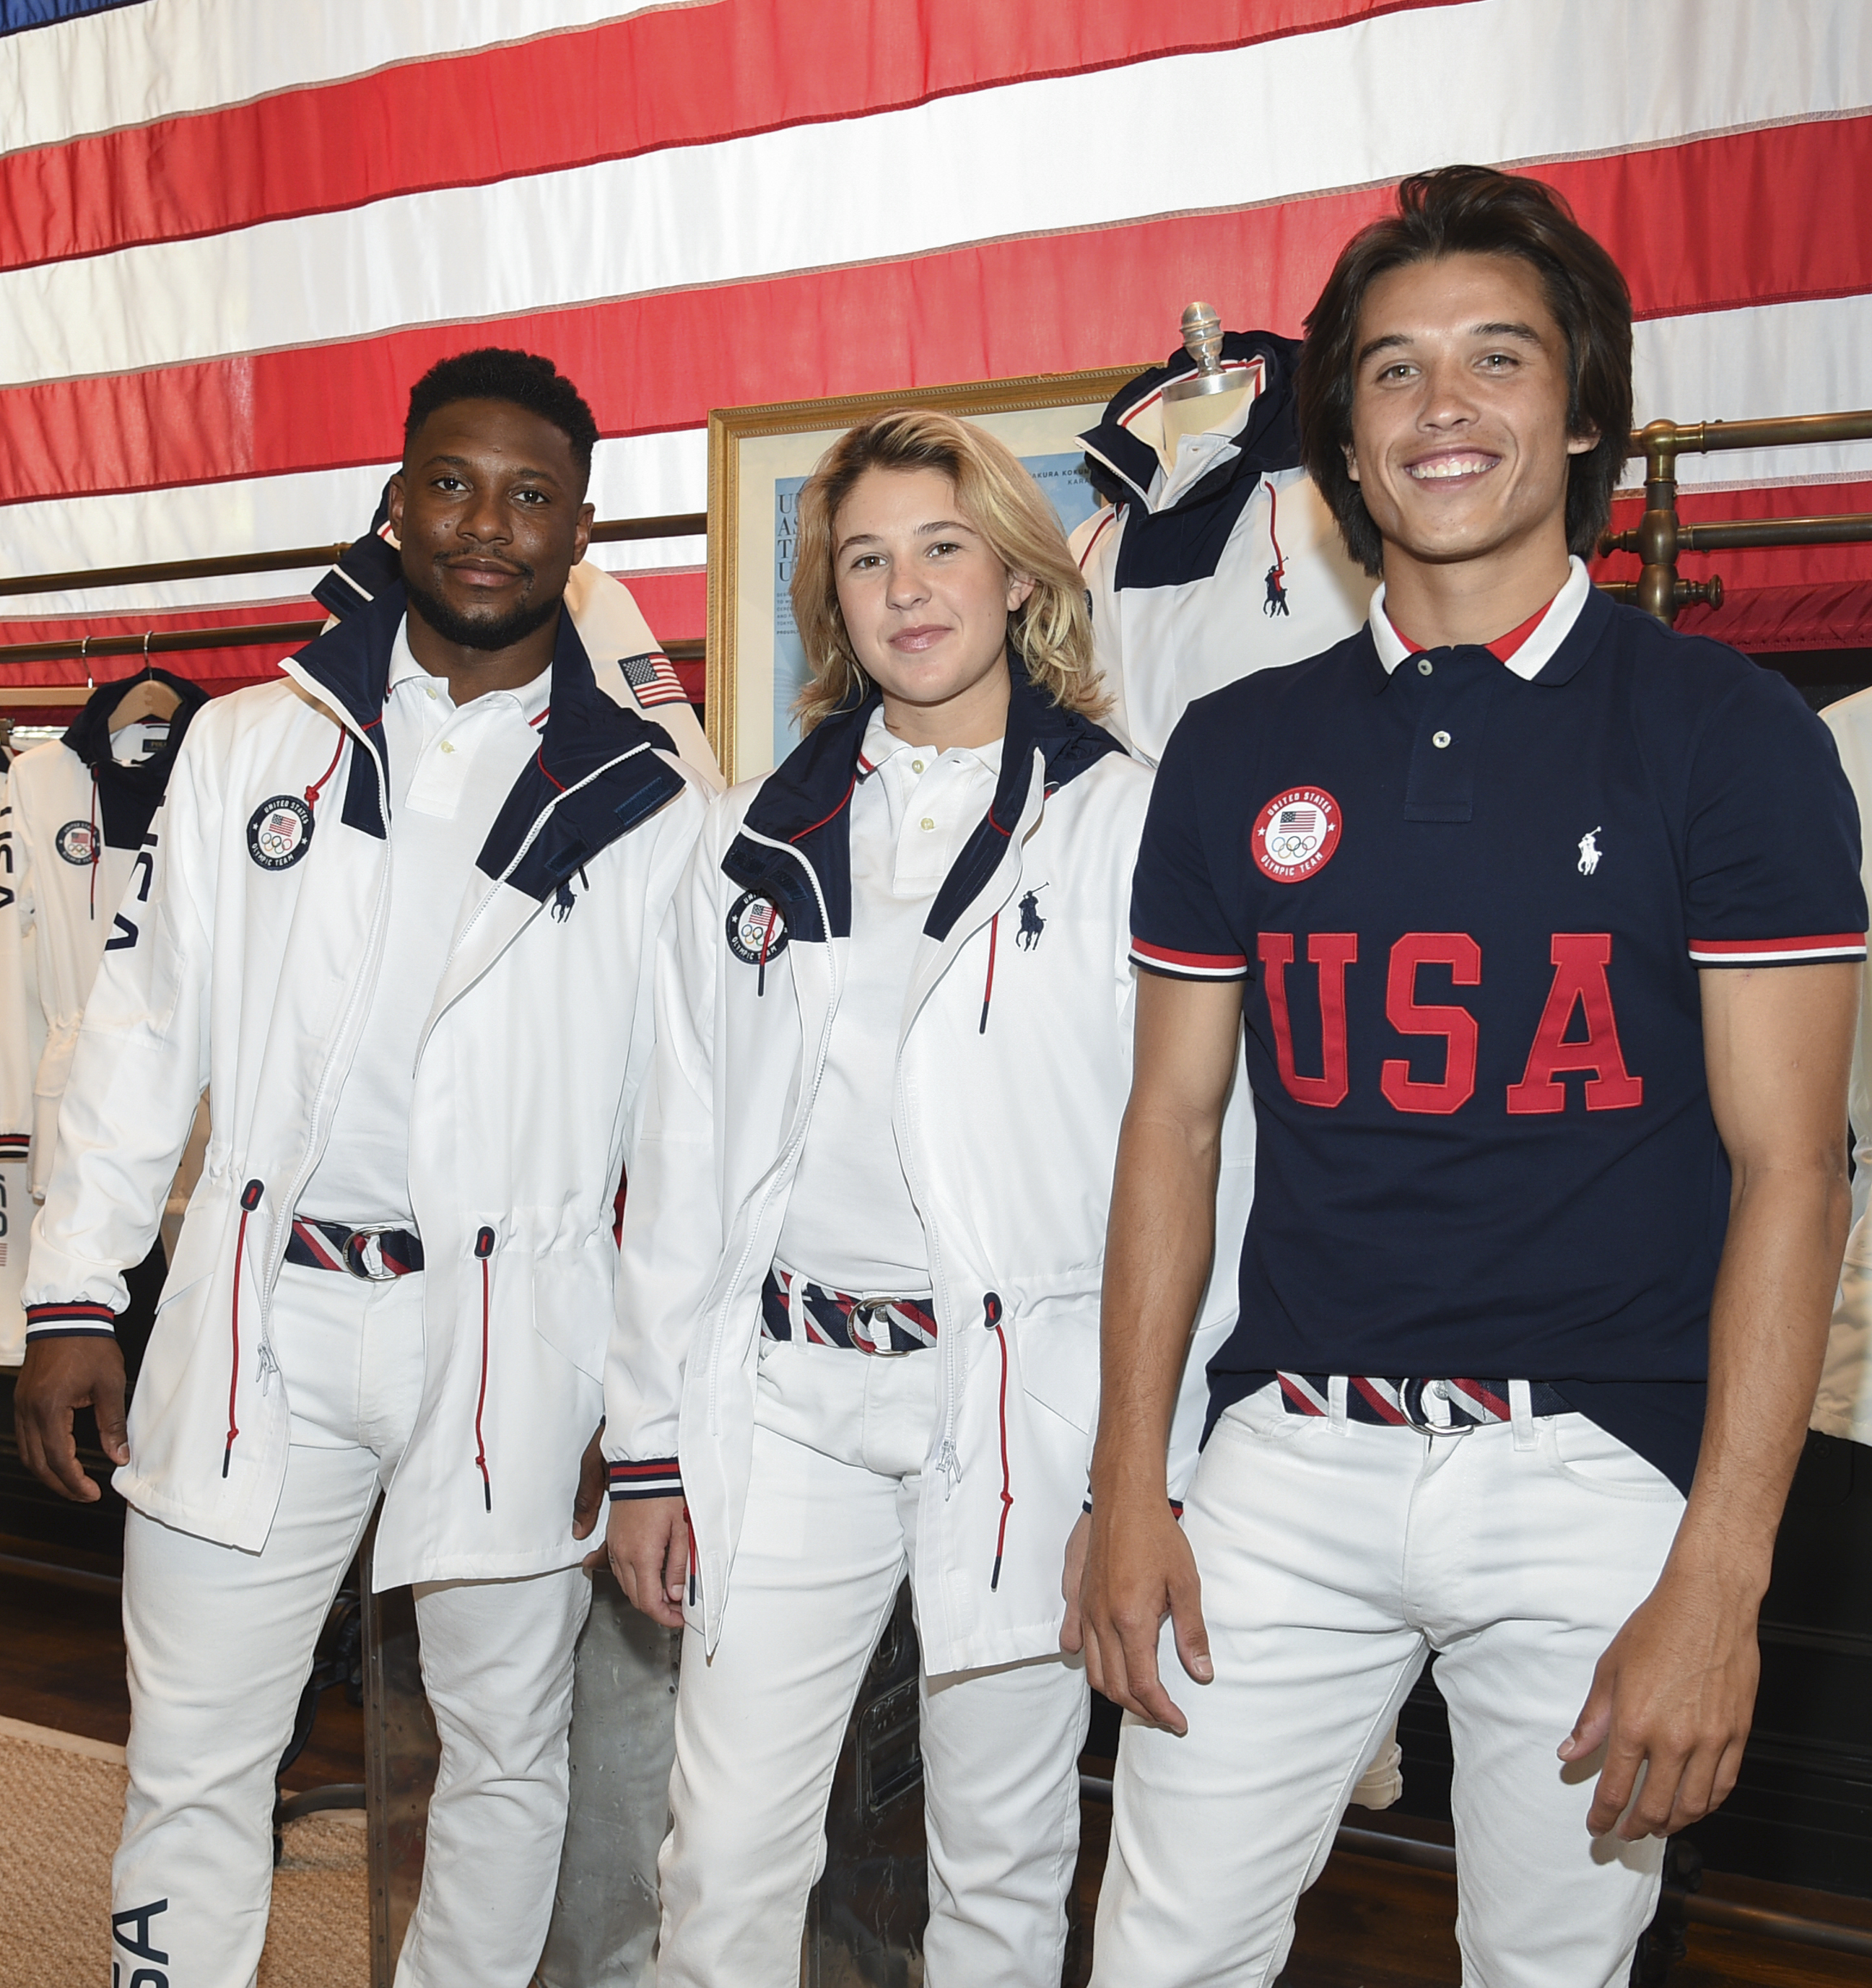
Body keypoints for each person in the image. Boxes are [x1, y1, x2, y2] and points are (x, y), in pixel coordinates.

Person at [1080, 165, 1868, 1987]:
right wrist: (1131, 1481)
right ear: (1340, 444)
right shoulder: (1231, 748)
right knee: (1155, 1956)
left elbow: (1792, 1173)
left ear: (1577, 410)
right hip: (1287, 1458)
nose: (1444, 410)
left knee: (1546, 1968)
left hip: (1596, 1467)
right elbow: (1170, 1129)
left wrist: (1721, 1578)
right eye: (1392, 373)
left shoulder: (1726, 735)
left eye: (1496, 360)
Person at [12, 347, 713, 1988]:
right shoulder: (254, 741)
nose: (487, 524)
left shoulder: (656, 803)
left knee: (502, 1754)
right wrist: (71, 1291)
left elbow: (684, 1140)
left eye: (530, 495)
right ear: (397, 505)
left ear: (579, 532)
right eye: (453, 484)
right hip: (266, 1313)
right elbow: (140, 1026)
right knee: (193, 1752)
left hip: (517, 1337)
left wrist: (651, 1395)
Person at [603, 410, 1218, 1986]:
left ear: (1019, 575)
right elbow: (677, 1161)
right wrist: (645, 1448)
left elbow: (1209, 1156)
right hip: (789, 1399)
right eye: (865, 558)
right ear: (834, 600)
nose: (907, 588)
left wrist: (1149, 1473)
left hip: (1020, 1407)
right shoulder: (745, 835)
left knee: (1005, 1862)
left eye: (943, 547)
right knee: (725, 1849)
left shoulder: (1129, 822)